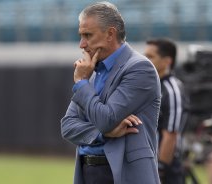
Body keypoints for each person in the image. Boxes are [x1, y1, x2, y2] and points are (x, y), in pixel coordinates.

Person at [61, 2, 161, 184]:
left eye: (88, 35)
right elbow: (68, 126)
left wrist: (82, 82)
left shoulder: (139, 68)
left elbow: (106, 120)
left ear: (110, 34)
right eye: (81, 36)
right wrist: (103, 134)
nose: (82, 44)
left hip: (125, 175)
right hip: (88, 172)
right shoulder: (92, 71)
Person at [144, 38, 185, 184]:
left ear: (167, 61)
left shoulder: (172, 89)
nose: (145, 60)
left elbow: (171, 134)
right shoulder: (149, 84)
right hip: (145, 161)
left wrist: (161, 168)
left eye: (150, 56)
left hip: (165, 166)